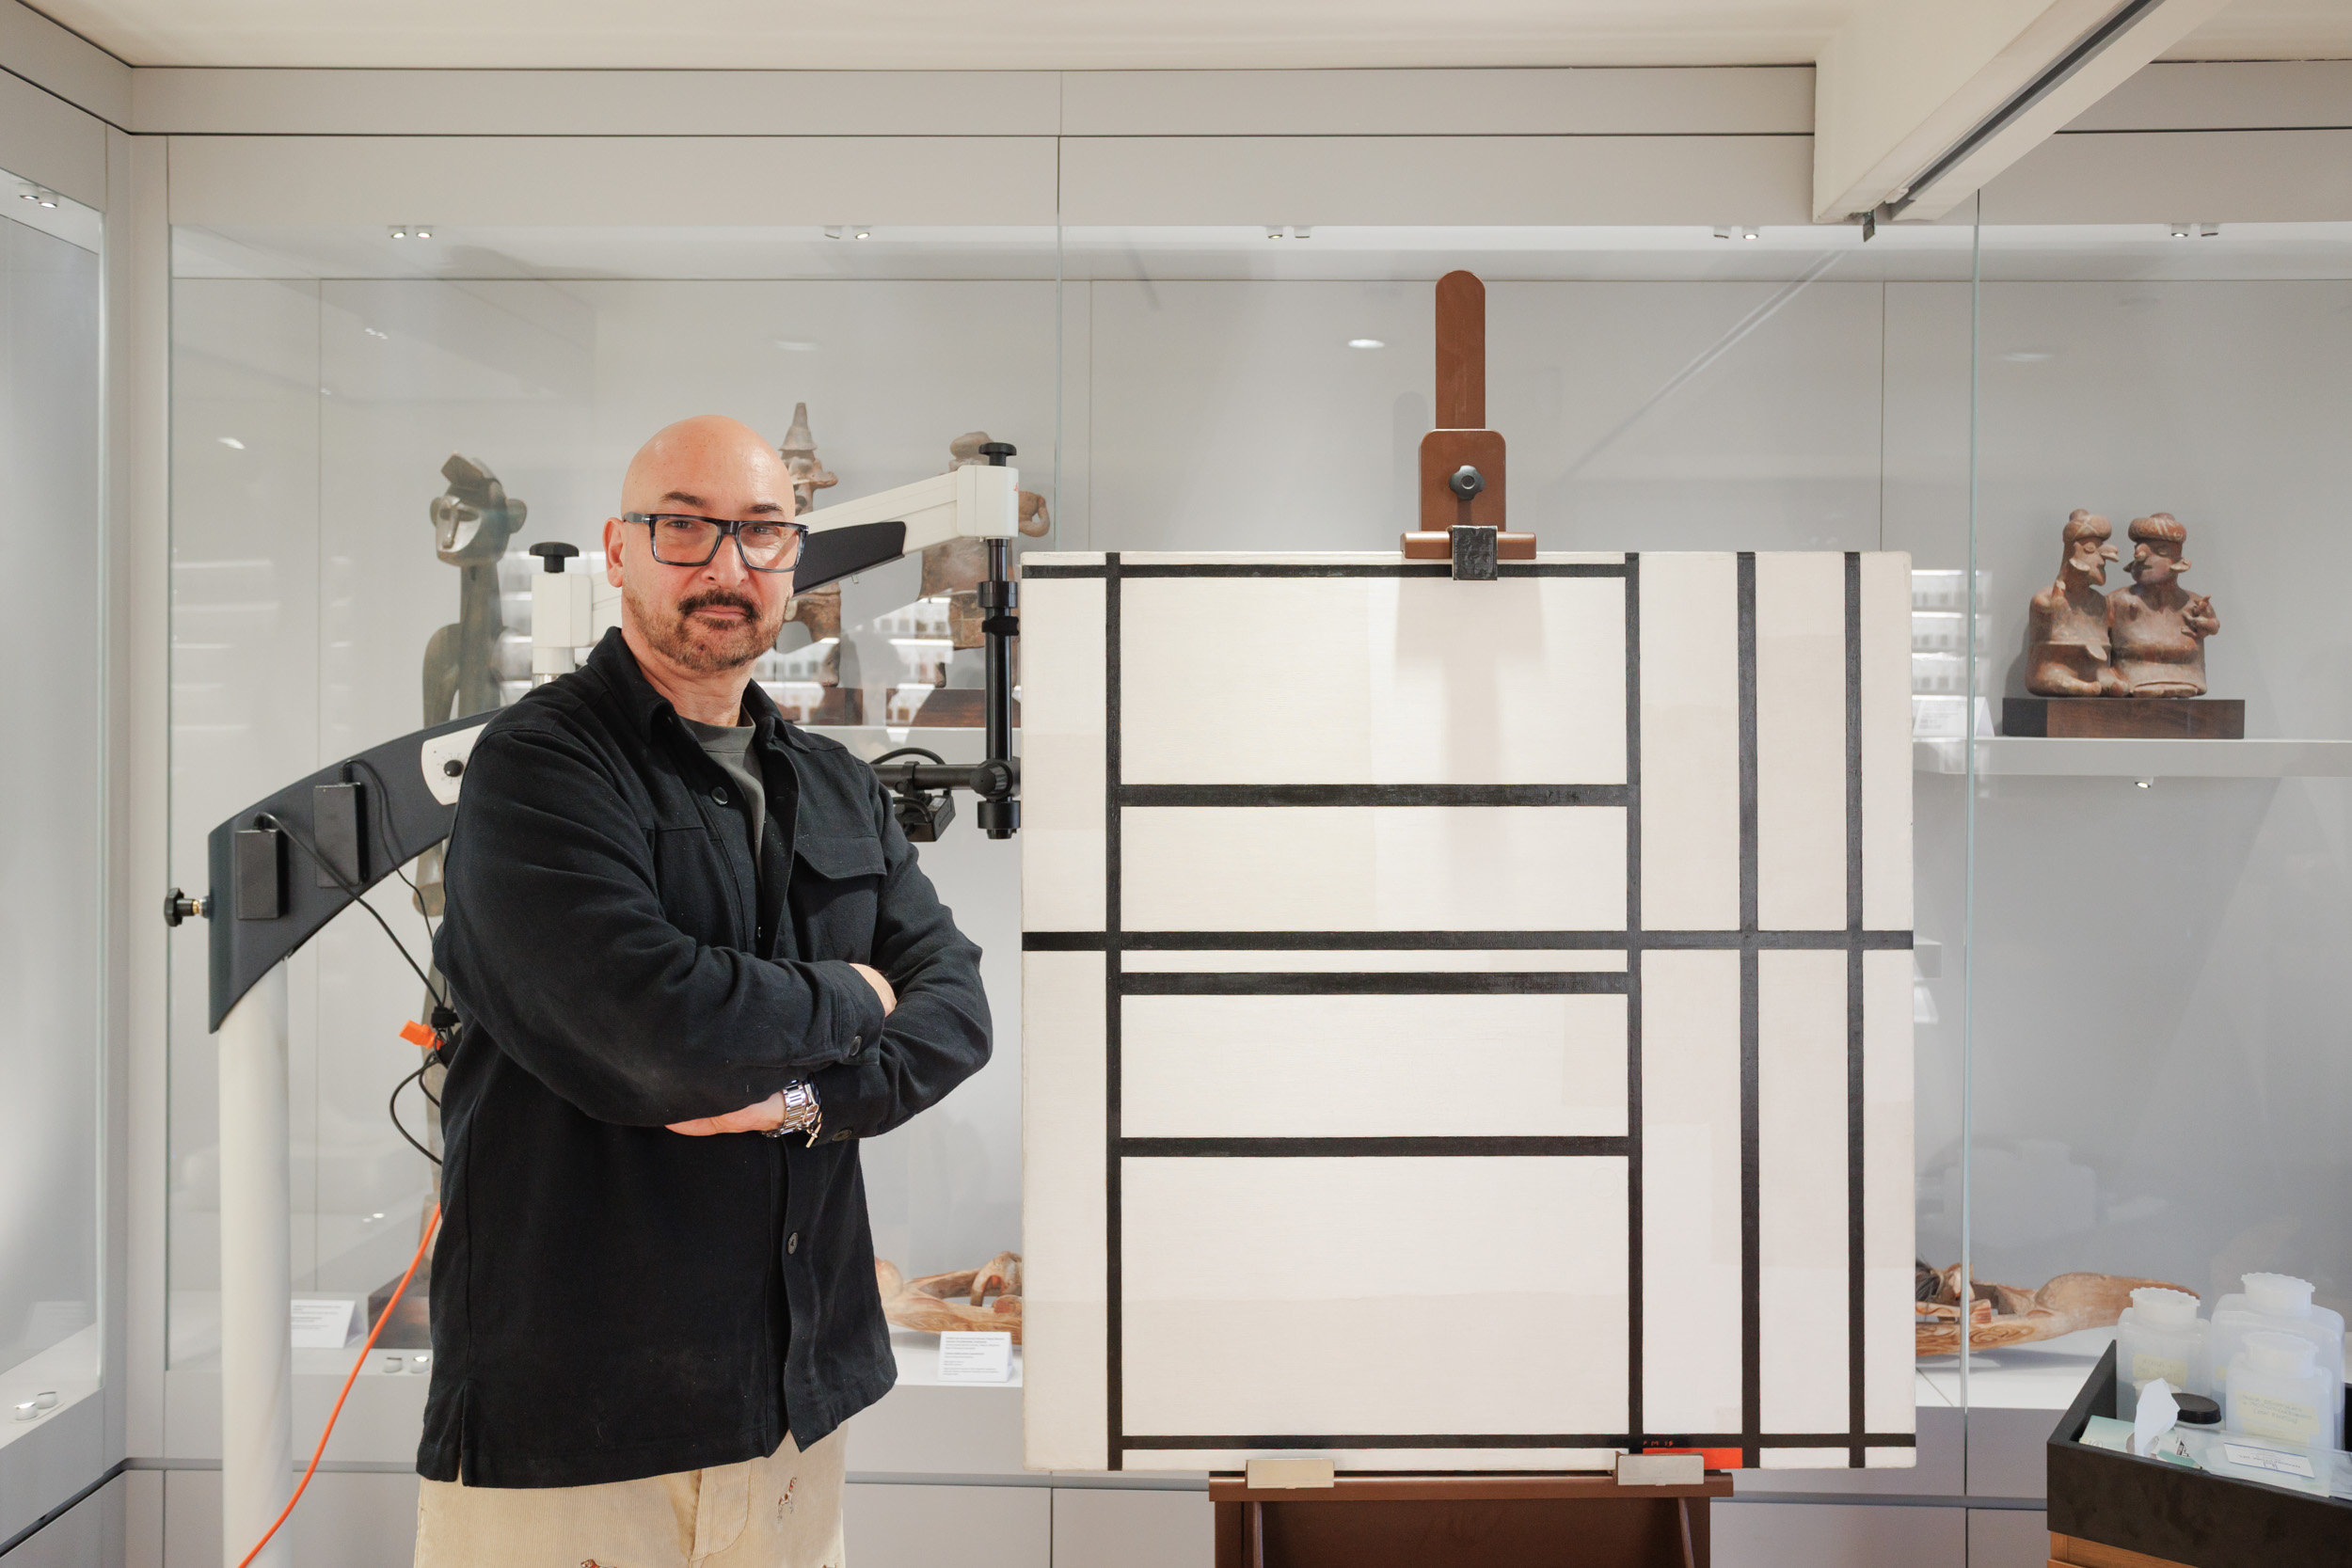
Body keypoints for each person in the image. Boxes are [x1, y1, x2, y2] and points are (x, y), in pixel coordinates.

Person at [413, 415, 993, 1566]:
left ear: (792, 556)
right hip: (579, 1433)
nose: (727, 565)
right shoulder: (540, 769)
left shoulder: (829, 780)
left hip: (789, 1417)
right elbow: (661, 1035)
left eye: (761, 532)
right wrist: (854, 992)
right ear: (619, 550)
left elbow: (959, 1008)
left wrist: (801, 1101)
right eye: (686, 527)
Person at [2107, 511, 2220, 696]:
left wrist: (2209, 624)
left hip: (2188, 680)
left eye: (2160, 551)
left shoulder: (2193, 604)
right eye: (2139, 549)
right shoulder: (2117, 602)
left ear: (2179, 563)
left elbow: (2213, 626)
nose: (2141, 555)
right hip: (2132, 680)